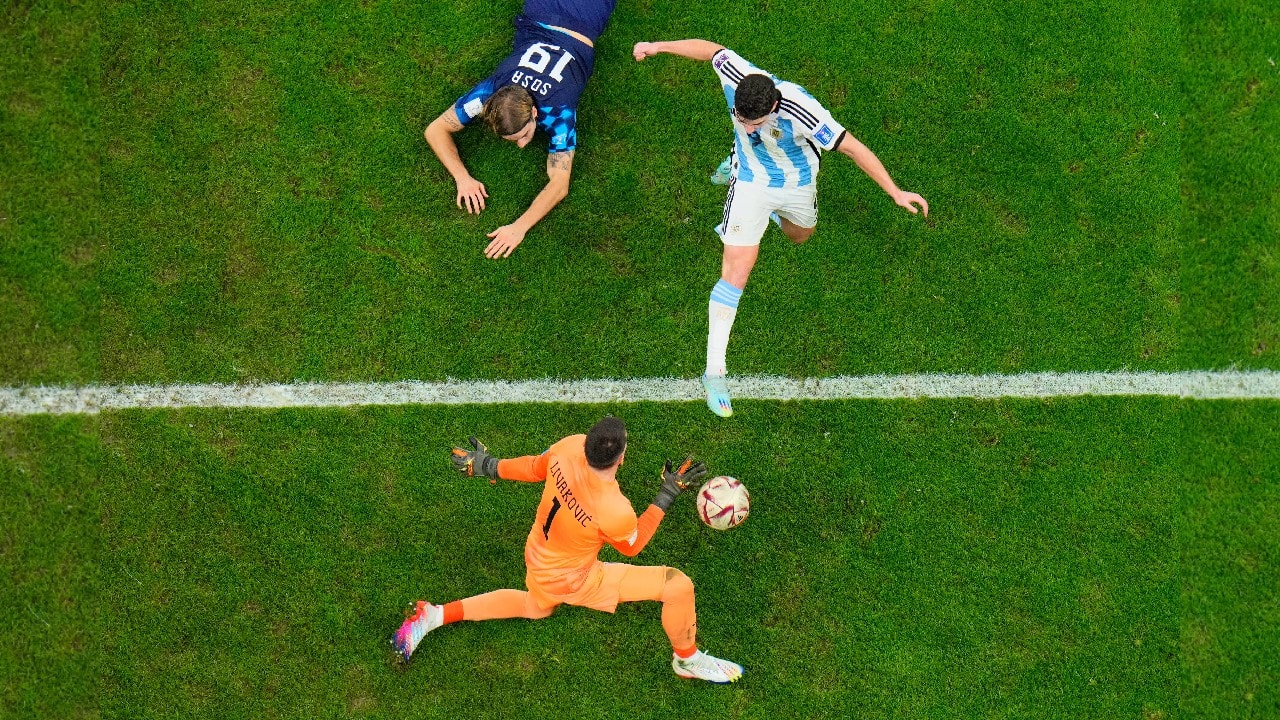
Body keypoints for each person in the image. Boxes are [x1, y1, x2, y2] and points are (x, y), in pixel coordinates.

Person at [632, 40, 930, 417]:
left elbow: (853, 148)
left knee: (799, 235)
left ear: (772, 107)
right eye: (739, 117)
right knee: (737, 271)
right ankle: (714, 372)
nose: (741, 123)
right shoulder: (738, 76)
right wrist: (656, 47)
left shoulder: (805, 113)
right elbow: (711, 49)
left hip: (796, 184)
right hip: (751, 182)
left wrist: (895, 191)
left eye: (751, 122)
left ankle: (749, 185)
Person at [391, 417, 745, 684]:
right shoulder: (614, 509)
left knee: (536, 606)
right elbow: (633, 545)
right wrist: (667, 493)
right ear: (621, 457)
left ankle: (434, 615)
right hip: (573, 578)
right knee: (677, 585)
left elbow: (534, 467)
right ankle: (687, 660)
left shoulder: (568, 447)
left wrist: (488, 465)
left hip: (539, 553)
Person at [422, 0, 617, 259]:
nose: (523, 144)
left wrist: (519, 228)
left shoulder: (559, 112)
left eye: (524, 134)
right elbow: (434, 130)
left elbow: (560, 185)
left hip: (584, 16)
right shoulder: (490, 94)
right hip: (542, 12)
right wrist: (462, 177)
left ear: (535, 113)